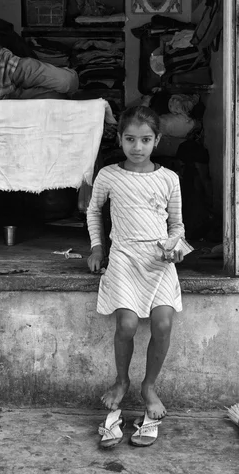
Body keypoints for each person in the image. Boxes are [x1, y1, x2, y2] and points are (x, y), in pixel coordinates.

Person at [86, 106, 189, 449]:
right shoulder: (109, 175)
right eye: (130, 139)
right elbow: (92, 210)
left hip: (158, 261)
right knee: (127, 325)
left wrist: (176, 248)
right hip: (124, 257)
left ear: (157, 140)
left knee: (162, 324)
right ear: (120, 139)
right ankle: (121, 382)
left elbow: (176, 225)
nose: (137, 147)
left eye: (145, 140)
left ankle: (149, 386)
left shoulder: (169, 178)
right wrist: (98, 247)